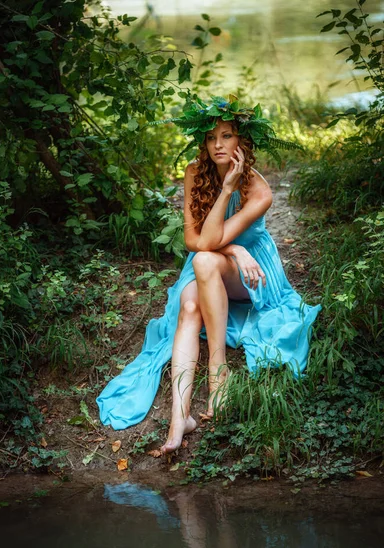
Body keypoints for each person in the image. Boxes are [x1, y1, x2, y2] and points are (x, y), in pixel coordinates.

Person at [96, 95, 321, 454]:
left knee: (204, 262)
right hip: (216, 258)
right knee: (187, 309)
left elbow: (208, 242)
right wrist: (233, 246)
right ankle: (178, 420)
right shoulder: (193, 173)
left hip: (251, 273)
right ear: (203, 141)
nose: (218, 144)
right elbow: (193, 241)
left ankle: (219, 372)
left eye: (227, 135)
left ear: (242, 142)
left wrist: (231, 196)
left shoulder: (259, 191)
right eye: (212, 137)